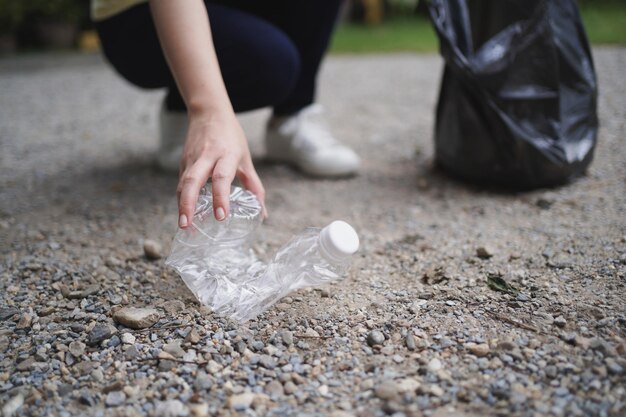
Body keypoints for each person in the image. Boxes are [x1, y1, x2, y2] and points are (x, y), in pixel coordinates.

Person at [92, 0, 360, 229]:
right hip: (137, 16)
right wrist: (207, 111)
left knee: (274, 61)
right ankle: (182, 113)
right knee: (270, 63)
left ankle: (293, 116)